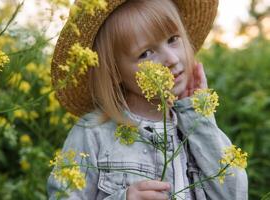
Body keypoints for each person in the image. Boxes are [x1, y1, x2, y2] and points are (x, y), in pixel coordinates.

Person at [48, 0, 248, 199]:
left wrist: (198, 113)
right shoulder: (93, 133)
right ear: (115, 72)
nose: (171, 59)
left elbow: (234, 194)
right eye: (146, 53)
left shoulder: (194, 126)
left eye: (173, 39)